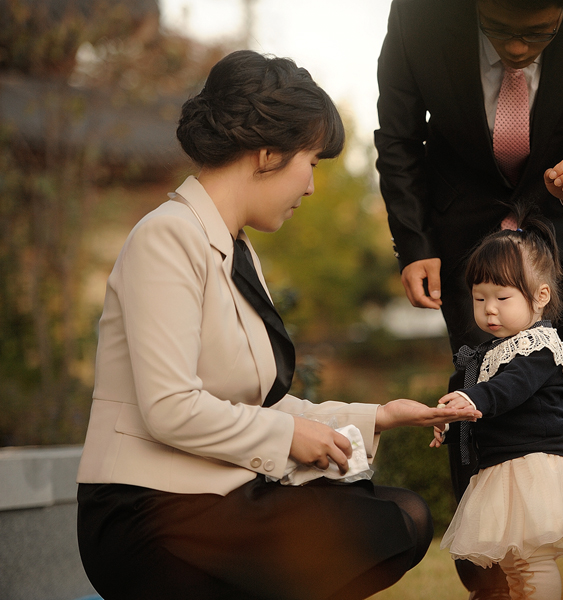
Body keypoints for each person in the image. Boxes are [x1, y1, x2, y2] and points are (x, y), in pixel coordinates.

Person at [75, 49, 480, 600]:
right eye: (310, 162)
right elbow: (170, 406)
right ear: (268, 154)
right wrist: (289, 436)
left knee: (398, 514)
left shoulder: (234, 248)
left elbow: (254, 402)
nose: (311, 187)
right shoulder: (166, 236)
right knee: (391, 522)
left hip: (209, 491)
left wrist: (378, 416)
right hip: (144, 508)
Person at [375, 0, 563, 598]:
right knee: (475, 408)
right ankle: (493, 585)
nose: (521, 49)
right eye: (501, 30)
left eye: (540, 33)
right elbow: (398, 137)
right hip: (468, 254)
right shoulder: (419, 14)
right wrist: (415, 243)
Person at [429, 212, 563, 600]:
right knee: (516, 566)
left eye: (502, 298)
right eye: (479, 298)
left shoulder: (538, 348)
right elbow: (485, 405)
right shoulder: (493, 351)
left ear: (541, 296)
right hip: (504, 470)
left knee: (532, 564)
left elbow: (508, 389)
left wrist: (472, 398)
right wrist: (452, 421)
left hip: (532, 471)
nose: (489, 309)